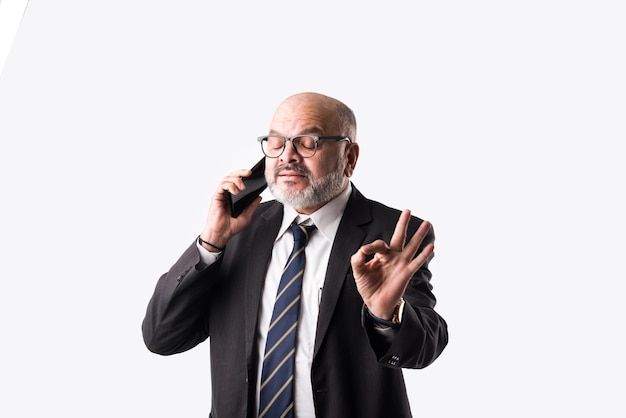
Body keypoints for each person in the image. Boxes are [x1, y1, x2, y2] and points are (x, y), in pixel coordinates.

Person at [142, 92, 448, 418]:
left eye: (308, 142)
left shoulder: (393, 234)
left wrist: (387, 316)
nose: (288, 156)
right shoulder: (237, 231)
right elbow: (162, 337)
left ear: (350, 157)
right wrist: (211, 243)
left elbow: (424, 348)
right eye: (276, 143)